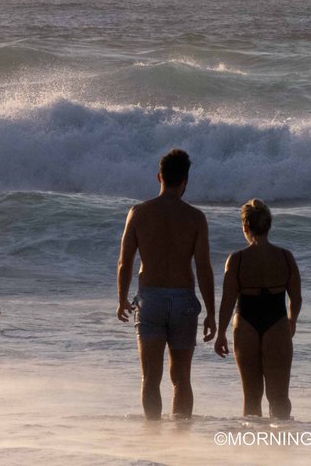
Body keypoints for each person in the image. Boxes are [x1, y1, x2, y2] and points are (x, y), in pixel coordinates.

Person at [116, 149, 216, 420]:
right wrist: (211, 312)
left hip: (150, 301)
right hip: (184, 301)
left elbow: (125, 262)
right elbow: (204, 268)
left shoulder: (138, 213)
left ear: (159, 176)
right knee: (182, 378)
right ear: (185, 181)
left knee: (150, 377)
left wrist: (122, 298)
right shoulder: (195, 218)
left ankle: (153, 439)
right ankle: (180, 440)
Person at [214, 199, 302, 419]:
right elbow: (296, 297)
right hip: (277, 322)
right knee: (279, 397)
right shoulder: (285, 257)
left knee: (251, 397)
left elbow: (227, 301)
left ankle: (251, 449)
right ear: (269, 226)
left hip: (246, 324)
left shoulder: (237, 259)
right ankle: (280, 445)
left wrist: (221, 333)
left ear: (245, 227)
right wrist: (292, 320)